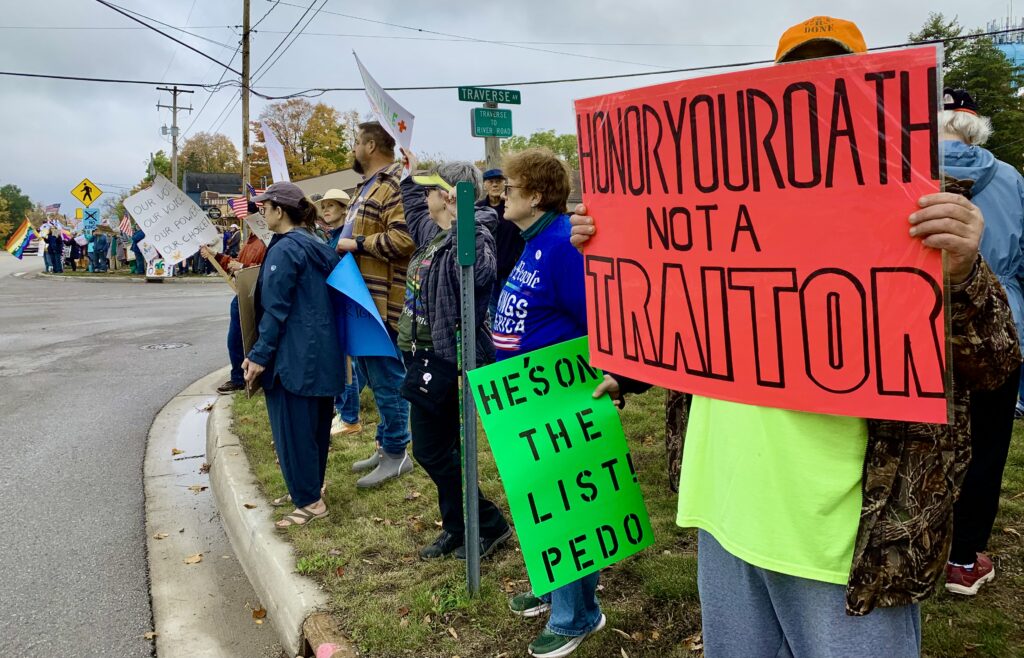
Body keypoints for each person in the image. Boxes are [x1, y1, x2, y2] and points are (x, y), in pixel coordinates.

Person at [568, 16, 1022, 658]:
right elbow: (692, 312)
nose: (815, 94)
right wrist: (617, 242)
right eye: (798, 78)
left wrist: (965, 274)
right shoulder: (717, 197)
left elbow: (995, 364)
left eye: (836, 75)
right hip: (723, 506)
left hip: (846, 540)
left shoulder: (921, 208)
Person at [492, 148, 606, 658]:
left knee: (566, 508)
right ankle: (552, 585)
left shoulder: (562, 245)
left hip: (556, 401)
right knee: (539, 502)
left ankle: (576, 615)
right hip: (525, 399)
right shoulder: (533, 241)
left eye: (510, 188)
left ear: (536, 196)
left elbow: (596, 321)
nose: (502, 196)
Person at [398, 152, 513, 560]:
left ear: (450, 197)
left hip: (448, 358)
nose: (424, 196)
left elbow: (481, 274)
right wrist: (409, 173)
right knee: (440, 449)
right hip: (421, 357)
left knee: (432, 450)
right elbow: (413, 209)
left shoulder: (476, 232)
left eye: (431, 189)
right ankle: (457, 526)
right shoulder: (433, 233)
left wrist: (463, 216)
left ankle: (488, 523)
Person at [940, 87, 1024, 595]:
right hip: (997, 330)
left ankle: (909, 543)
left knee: (913, 443)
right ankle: (963, 560)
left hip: (920, 327)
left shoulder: (900, 175)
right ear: (977, 129)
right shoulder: (1012, 179)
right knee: (987, 446)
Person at [241, 182, 345, 530]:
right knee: (315, 428)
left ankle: (310, 502)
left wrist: (259, 356)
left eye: (265, 207)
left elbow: (275, 309)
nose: (262, 213)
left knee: (293, 431)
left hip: (293, 356)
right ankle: (310, 488)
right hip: (323, 351)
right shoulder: (317, 243)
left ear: (279, 211)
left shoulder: (285, 249)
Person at [336, 121, 416, 488]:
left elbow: (404, 238)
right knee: (375, 374)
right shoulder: (365, 187)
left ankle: (398, 454)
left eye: (356, 142)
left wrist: (357, 244)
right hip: (360, 297)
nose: (353, 149)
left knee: (388, 379)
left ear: (370, 146)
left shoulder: (394, 184)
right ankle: (384, 446)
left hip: (382, 301)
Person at [202, 201, 269, 395]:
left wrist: (243, 268)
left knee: (249, 339)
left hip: (257, 295)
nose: (245, 220)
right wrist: (216, 255)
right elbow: (235, 263)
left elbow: (266, 269)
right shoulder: (251, 240)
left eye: (247, 216)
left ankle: (247, 378)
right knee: (236, 340)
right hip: (243, 294)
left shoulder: (267, 240)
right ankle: (240, 377)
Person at [316, 188, 365, 437]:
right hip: (336, 301)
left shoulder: (345, 238)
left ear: (344, 210)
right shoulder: (332, 236)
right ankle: (344, 411)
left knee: (347, 365)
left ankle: (349, 418)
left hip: (345, 301)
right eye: (324, 206)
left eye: (332, 206)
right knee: (347, 362)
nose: (326, 210)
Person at [477, 168, 524, 318]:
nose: (495, 185)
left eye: (498, 181)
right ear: (485, 185)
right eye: (491, 181)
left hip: (510, 269)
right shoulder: (478, 209)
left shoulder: (513, 207)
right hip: (487, 271)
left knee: (509, 310)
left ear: (505, 184)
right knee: (491, 311)